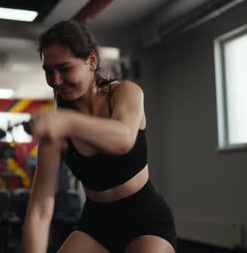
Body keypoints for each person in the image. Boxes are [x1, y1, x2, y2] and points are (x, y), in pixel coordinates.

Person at [22, 20, 176, 253]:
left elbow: (123, 139)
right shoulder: (56, 131)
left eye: (64, 68)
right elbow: (40, 211)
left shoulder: (124, 93)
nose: (56, 80)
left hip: (146, 219)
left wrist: (66, 121)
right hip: (96, 224)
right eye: (48, 71)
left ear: (91, 61)